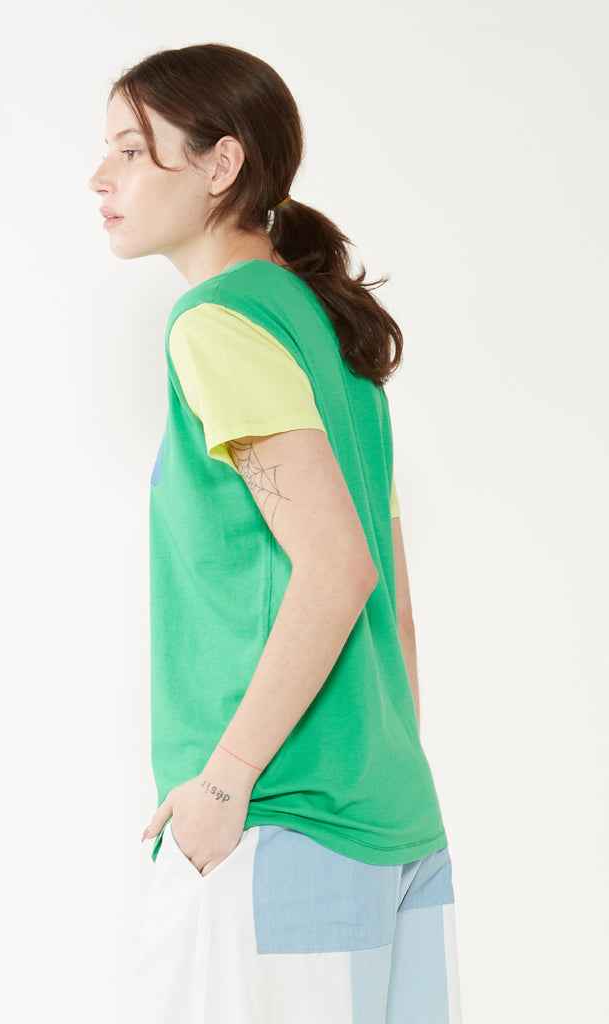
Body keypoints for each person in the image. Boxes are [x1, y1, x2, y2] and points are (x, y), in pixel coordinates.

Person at [89, 42, 462, 1024]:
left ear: (221, 164)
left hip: (276, 817)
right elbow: (390, 594)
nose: (100, 177)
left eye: (130, 149)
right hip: (388, 813)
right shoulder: (326, 325)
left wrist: (223, 782)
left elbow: (337, 570)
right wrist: (377, 767)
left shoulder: (214, 322)